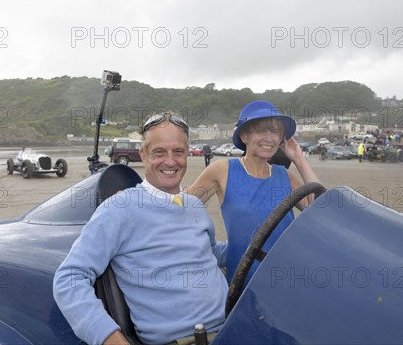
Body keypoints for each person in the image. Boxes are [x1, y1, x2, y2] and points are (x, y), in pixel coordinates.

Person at [53, 112, 228, 345]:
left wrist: (257, 243)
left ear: (187, 154)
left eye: (178, 152)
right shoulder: (120, 208)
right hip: (184, 340)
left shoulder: (194, 205)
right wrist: (109, 337)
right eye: (159, 152)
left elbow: (211, 252)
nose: (170, 161)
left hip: (233, 326)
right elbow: (69, 277)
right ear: (143, 156)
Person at [185, 100, 319, 284]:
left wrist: (299, 159)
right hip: (243, 282)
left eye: (275, 131)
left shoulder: (284, 176)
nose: (270, 138)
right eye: (261, 130)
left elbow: (321, 208)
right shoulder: (223, 170)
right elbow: (182, 207)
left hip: (287, 276)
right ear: (244, 136)